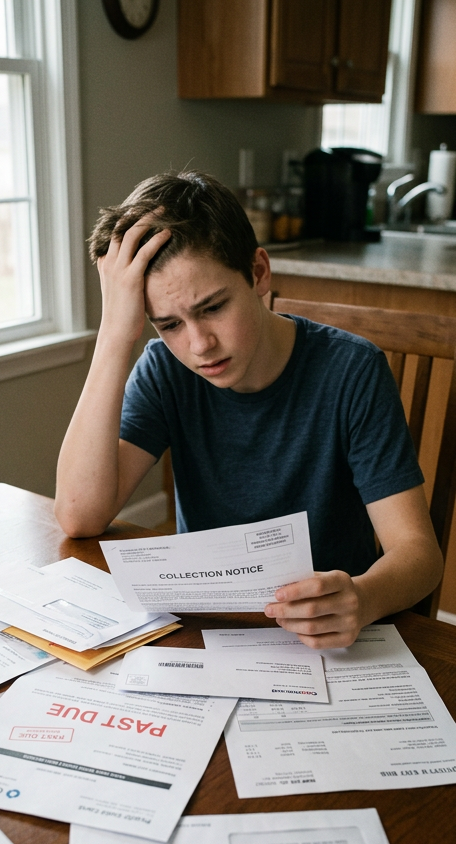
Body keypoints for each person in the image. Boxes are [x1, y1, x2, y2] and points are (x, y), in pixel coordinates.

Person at [55, 171, 443, 649]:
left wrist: (363, 598)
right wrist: (115, 334)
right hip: (209, 629)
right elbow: (78, 516)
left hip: (324, 640)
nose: (200, 345)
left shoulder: (351, 370)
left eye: (214, 307)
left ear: (259, 273)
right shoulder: (165, 370)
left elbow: (419, 555)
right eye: (169, 324)